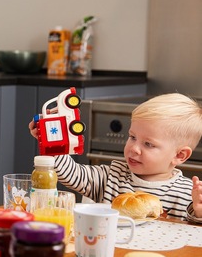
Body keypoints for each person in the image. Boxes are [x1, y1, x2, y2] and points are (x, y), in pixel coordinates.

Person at [29, 92, 202, 223]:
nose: (134, 148)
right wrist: (52, 140)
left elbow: (192, 237)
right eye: (133, 137)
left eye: (148, 144)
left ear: (179, 155)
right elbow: (70, 174)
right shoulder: (111, 176)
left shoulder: (188, 194)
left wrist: (199, 213)